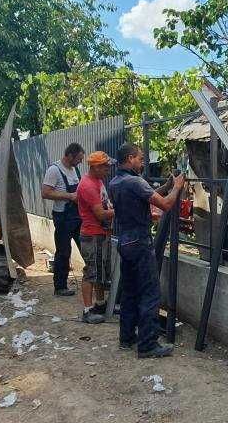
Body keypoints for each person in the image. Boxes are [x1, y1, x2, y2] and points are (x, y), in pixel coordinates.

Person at [108, 143, 186, 358]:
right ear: (130, 158)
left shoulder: (116, 182)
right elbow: (166, 205)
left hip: (124, 242)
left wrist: (167, 185)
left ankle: (127, 337)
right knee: (150, 293)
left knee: (130, 291)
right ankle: (148, 344)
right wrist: (177, 187)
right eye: (140, 159)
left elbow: (147, 195)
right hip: (140, 242)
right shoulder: (134, 181)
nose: (143, 162)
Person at [76, 151, 116, 324]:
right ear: (96, 167)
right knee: (91, 272)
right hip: (93, 235)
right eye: (106, 167)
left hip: (100, 234)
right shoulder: (87, 186)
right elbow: (100, 214)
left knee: (99, 272)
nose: (108, 170)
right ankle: (87, 310)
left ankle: (100, 303)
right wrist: (121, 209)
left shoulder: (97, 181)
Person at [41, 143, 85, 296]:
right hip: (63, 217)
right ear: (70, 156)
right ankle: (60, 287)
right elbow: (45, 193)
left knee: (87, 247)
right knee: (64, 252)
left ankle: (94, 280)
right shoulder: (54, 170)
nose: (80, 162)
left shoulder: (74, 169)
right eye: (78, 159)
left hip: (77, 216)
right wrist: (69, 196)